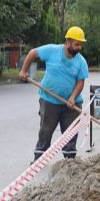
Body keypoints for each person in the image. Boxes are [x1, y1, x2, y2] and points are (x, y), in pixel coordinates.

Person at [19, 26, 89, 162]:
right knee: (46, 130)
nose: (79, 47)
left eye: (81, 44)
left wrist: (72, 97)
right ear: (68, 42)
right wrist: (24, 70)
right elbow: (33, 53)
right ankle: (39, 159)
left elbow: (80, 82)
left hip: (71, 104)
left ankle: (69, 161)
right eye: (77, 44)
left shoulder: (81, 61)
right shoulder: (52, 50)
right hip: (49, 100)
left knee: (70, 133)